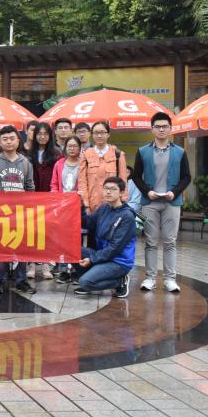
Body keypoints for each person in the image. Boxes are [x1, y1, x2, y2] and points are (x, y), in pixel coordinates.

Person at [132, 112, 191, 293]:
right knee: (150, 241)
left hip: (171, 202)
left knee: (170, 241)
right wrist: (147, 191)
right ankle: (150, 278)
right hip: (150, 202)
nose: (161, 129)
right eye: (157, 126)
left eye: (165, 126)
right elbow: (136, 176)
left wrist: (175, 192)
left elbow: (186, 177)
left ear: (170, 129)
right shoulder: (143, 151)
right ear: (152, 129)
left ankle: (170, 279)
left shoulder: (180, 152)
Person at [0, 125, 36, 295]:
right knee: (0, 246)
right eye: (5, 139)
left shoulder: (26, 162)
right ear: (0, 142)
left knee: (21, 246)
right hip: (0, 213)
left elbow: (30, 188)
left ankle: (21, 280)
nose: (9, 142)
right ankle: (0, 279)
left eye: (12, 138)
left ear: (18, 141)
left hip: (20, 213)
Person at [73, 177, 136, 299]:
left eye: (113, 189)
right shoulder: (104, 208)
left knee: (85, 282)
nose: (108, 192)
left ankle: (119, 281)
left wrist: (92, 260)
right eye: (106, 188)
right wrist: (80, 205)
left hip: (119, 262)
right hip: (103, 256)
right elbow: (87, 223)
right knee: (73, 250)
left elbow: (115, 248)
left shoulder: (127, 216)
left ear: (121, 193)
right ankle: (92, 279)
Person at [29, 123, 61, 280]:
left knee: (47, 232)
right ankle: (31, 264)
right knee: (31, 232)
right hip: (31, 198)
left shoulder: (57, 155)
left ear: (50, 136)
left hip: (49, 199)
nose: (42, 137)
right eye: (39, 134)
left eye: (45, 134)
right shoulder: (29, 154)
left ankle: (46, 264)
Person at [52, 136, 84, 284]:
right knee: (62, 239)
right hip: (62, 207)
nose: (72, 148)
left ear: (80, 148)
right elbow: (54, 184)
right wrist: (56, 198)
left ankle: (77, 270)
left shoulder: (83, 163)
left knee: (77, 238)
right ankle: (63, 271)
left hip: (78, 207)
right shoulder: (59, 163)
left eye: (74, 146)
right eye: (69, 146)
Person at [78, 121, 128, 214]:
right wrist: (86, 205)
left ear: (108, 134)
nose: (99, 136)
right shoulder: (86, 155)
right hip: (93, 205)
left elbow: (123, 180)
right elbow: (82, 182)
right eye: (96, 133)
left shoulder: (117, 154)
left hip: (113, 205)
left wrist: (122, 202)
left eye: (102, 132)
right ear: (92, 135)